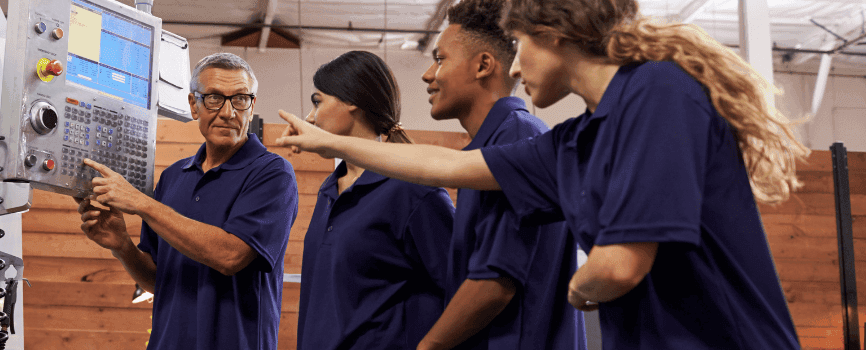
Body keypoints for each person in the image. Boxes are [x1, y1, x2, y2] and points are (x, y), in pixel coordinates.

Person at [274, 0, 809, 347]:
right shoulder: (579, 138)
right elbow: (452, 165)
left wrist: (578, 288)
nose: (513, 65)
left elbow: (618, 266)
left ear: (552, 33)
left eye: (520, 45)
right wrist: (329, 141)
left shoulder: (657, 90)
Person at [78, 52, 299, 350]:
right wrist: (123, 246)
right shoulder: (173, 177)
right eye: (214, 98)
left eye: (240, 99)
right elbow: (159, 281)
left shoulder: (272, 173)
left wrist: (142, 203)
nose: (228, 112)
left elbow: (230, 256)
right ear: (193, 106)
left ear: (252, 105)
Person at [410, 1, 584, 349]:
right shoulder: (490, 146)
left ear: (483, 65)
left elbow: (494, 285)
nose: (428, 74)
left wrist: (427, 346)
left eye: (440, 58)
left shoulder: (517, 137)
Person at [294, 50, 455, 349]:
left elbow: (458, 289)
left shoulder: (413, 190)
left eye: (318, 102)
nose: (309, 117)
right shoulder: (330, 190)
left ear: (352, 100)